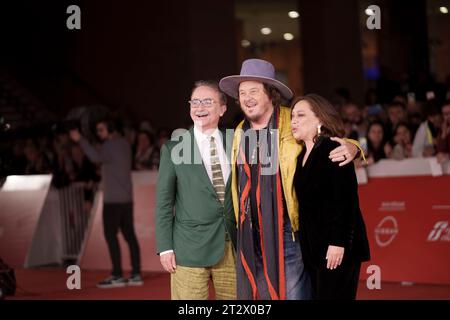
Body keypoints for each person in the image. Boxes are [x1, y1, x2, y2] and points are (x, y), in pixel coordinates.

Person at [219, 59, 362, 300]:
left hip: (287, 229)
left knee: (296, 295)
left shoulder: (291, 121)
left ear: (270, 94)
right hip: (251, 230)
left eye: (254, 91)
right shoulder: (240, 131)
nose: (247, 97)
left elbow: (327, 140)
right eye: (242, 93)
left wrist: (354, 147)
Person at [155, 80, 237, 300]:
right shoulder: (174, 148)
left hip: (233, 247)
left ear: (222, 108)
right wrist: (165, 248)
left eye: (207, 102)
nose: (199, 107)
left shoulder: (237, 142)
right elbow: (164, 203)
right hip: (188, 248)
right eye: (195, 102)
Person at [291, 94, 370, 300]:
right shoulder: (300, 156)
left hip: (337, 247)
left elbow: (346, 200)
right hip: (314, 247)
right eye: (292, 116)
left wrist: (338, 242)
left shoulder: (334, 148)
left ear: (320, 120)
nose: (294, 121)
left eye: (301, 115)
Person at [69, 119, 142, 288]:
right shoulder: (124, 144)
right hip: (126, 199)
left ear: (110, 128)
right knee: (130, 236)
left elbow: (95, 157)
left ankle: (117, 274)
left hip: (113, 201)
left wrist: (80, 139)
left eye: (101, 129)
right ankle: (136, 273)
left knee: (111, 236)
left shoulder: (110, 145)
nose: (99, 133)